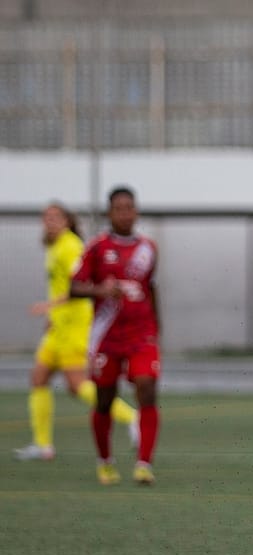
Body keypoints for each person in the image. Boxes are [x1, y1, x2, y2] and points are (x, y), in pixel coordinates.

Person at [14, 203, 139, 461]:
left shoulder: (71, 246)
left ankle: (131, 417)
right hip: (58, 327)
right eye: (46, 217)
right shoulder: (55, 246)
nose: (50, 221)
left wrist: (48, 306)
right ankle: (43, 445)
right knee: (38, 377)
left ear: (67, 221)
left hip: (75, 326)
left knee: (77, 385)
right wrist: (52, 315)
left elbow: (80, 285)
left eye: (55, 216)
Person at [69, 187, 161, 485]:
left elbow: (151, 288)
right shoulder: (96, 248)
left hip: (141, 334)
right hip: (107, 336)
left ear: (136, 211)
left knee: (147, 389)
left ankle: (144, 464)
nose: (125, 213)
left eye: (129, 207)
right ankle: (105, 461)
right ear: (110, 213)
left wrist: (157, 327)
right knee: (105, 400)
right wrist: (100, 290)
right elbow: (73, 287)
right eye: (119, 208)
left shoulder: (148, 249)